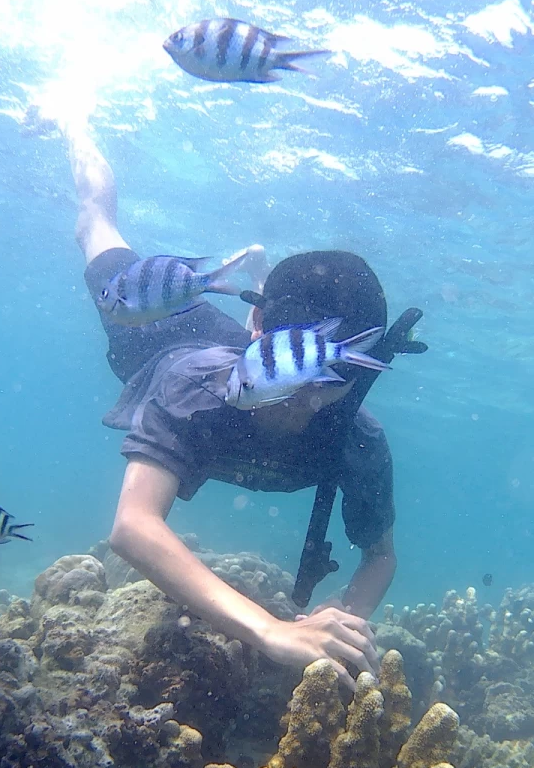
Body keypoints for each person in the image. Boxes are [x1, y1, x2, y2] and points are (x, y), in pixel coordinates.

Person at [63, 121, 395, 689]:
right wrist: (270, 631)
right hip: (158, 335)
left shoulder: (358, 439)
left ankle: (263, 289)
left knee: (278, 359)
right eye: (298, 375)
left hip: (254, 347)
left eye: (332, 379)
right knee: (95, 227)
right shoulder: (193, 391)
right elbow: (133, 526)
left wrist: (343, 616)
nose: (307, 398)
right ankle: (74, 121)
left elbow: (380, 555)